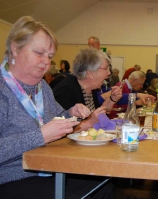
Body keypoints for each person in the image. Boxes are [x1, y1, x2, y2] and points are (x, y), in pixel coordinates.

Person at [0, 16, 113, 198]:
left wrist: (72, 113)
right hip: (12, 178)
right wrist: (40, 136)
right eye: (39, 53)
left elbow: (58, 116)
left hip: (49, 167)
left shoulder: (41, 87)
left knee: (103, 184)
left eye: (50, 56)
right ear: (15, 48)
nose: (46, 61)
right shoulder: (2, 89)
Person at [53, 48, 122, 132]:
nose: (109, 73)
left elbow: (98, 116)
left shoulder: (90, 88)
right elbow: (61, 132)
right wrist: (90, 122)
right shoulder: (66, 91)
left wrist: (112, 99)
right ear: (90, 73)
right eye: (106, 68)